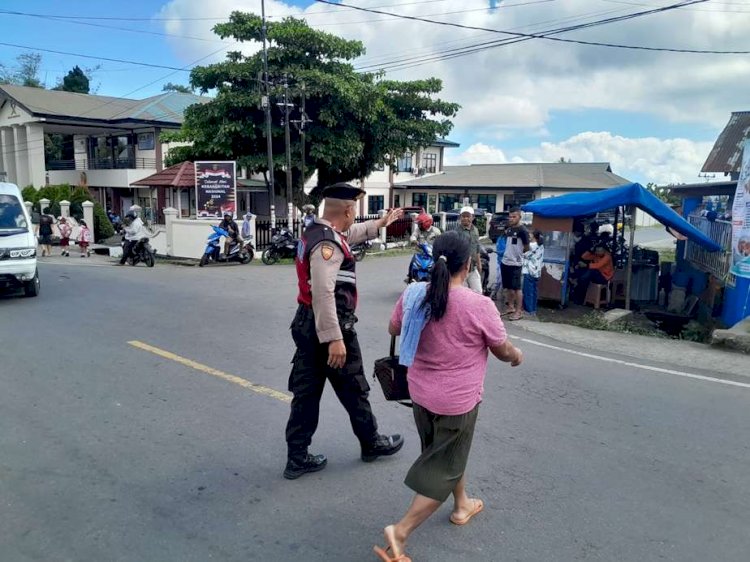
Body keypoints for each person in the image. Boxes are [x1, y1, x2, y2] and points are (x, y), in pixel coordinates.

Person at [377, 231, 523, 562]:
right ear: (469, 264)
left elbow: (393, 328)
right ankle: (399, 532)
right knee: (444, 465)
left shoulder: (414, 294)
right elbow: (502, 351)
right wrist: (516, 356)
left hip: (420, 395)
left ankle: (462, 505)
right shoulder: (479, 305)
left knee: (442, 454)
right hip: (457, 402)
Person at [285, 183, 406, 480]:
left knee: (306, 394)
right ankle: (371, 443)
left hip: (308, 325)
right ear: (349, 210)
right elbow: (324, 293)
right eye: (355, 211)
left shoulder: (318, 233)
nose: (355, 217)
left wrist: (380, 223)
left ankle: (296, 458)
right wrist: (335, 339)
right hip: (331, 327)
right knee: (354, 388)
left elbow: (350, 235)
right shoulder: (328, 246)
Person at [500, 208, 530, 321]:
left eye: (514, 217)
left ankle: (519, 311)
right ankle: (510, 307)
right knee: (508, 287)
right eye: (510, 216)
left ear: (519, 217)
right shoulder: (509, 229)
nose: (511, 219)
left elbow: (527, 247)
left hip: (515, 263)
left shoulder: (523, 231)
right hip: (505, 261)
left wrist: (518, 255)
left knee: (517, 288)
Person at [453, 206, 482, 293]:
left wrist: (479, 263)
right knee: (463, 293)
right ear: (460, 217)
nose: (465, 218)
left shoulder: (475, 230)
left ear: (472, 217)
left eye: (468, 216)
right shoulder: (456, 232)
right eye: (463, 216)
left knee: (478, 292)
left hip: (473, 268)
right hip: (461, 269)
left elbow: (477, 247)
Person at [522, 230, 544, 317]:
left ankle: (528, 310)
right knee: (534, 292)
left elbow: (524, 254)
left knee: (528, 292)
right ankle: (533, 310)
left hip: (529, 271)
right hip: (537, 271)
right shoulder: (541, 246)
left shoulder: (531, 246)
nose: (529, 236)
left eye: (530, 234)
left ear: (534, 236)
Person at [488, 234, 507, 301]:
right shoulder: (500, 238)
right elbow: (501, 250)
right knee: (499, 280)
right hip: (501, 261)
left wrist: (496, 252)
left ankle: (504, 295)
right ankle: (495, 293)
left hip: (508, 262)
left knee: (504, 280)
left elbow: (505, 252)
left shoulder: (508, 238)